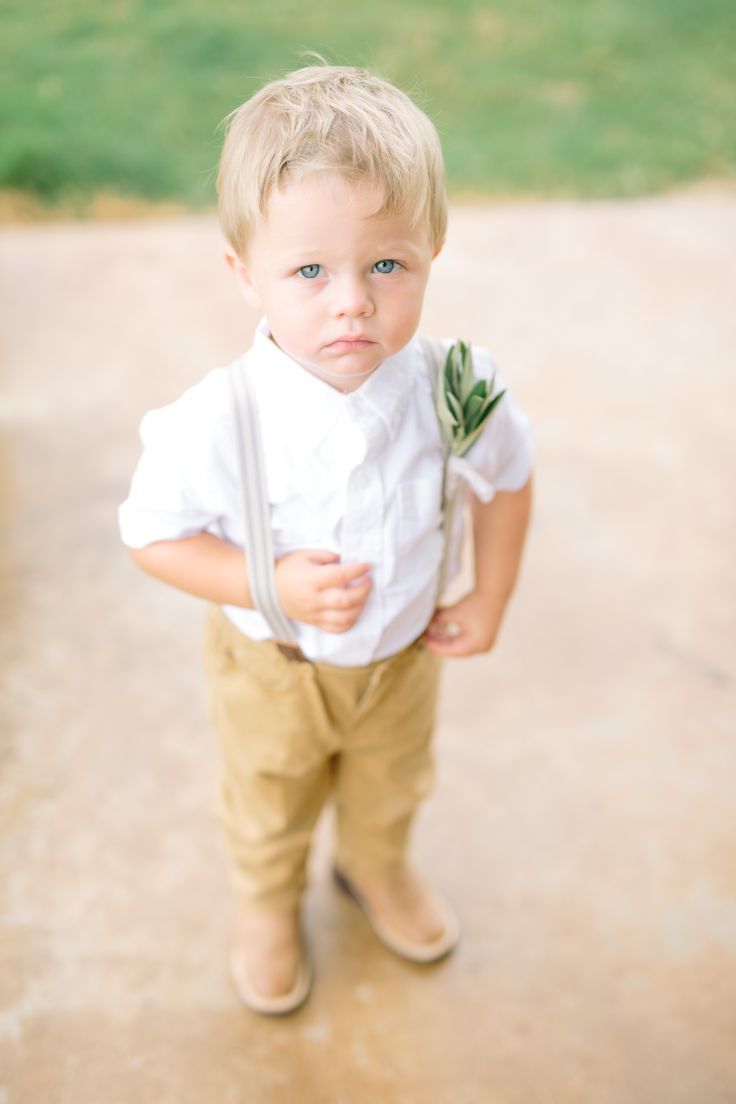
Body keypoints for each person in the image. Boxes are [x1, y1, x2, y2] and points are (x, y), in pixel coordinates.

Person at [118, 63, 533, 1016]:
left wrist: (489, 594)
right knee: (268, 801)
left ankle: (375, 869)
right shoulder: (214, 420)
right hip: (276, 668)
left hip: (400, 659)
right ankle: (267, 904)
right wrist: (267, 586)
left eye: (386, 264)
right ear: (244, 273)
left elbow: (507, 477)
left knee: (394, 785)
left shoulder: (455, 386)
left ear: (432, 248)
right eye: (309, 270)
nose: (352, 301)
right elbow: (151, 536)